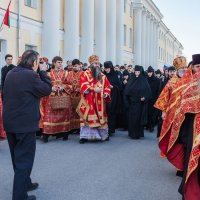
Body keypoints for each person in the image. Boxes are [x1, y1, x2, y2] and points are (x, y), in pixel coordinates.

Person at [2, 50, 52, 200]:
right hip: (24, 124)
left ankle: (25, 183)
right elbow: (46, 89)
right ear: (34, 62)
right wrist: (43, 73)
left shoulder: (12, 73)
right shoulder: (31, 75)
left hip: (10, 122)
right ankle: (19, 196)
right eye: (38, 62)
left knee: (17, 157)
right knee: (24, 159)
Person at [165, 54, 200, 200]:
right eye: (198, 67)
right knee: (192, 164)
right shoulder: (187, 84)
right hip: (192, 131)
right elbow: (182, 108)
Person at [76, 55, 111, 143]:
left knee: (100, 118)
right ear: (91, 64)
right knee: (88, 118)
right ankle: (84, 136)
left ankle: (103, 135)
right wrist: (93, 89)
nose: (97, 65)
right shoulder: (85, 74)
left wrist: (106, 93)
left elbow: (107, 86)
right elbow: (83, 85)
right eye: (95, 63)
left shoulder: (102, 75)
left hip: (100, 101)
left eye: (98, 63)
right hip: (89, 100)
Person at [40, 56, 72, 142]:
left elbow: (70, 85)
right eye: (58, 62)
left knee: (64, 116)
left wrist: (63, 87)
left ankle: (64, 133)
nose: (60, 64)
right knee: (48, 115)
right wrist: (51, 88)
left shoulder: (66, 73)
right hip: (52, 96)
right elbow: (44, 84)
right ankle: (46, 135)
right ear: (54, 63)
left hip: (63, 97)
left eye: (61, 62)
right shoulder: (49, 73)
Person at [124, 65, 151, 139]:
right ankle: (132, 133)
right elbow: (126, 91)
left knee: (138, 119)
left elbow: (148, 91)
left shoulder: (143, 80)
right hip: (132, 103)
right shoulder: (131, 79)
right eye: (136, 72)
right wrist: (127, 101)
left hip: (139, 104)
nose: (137, 73)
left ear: (140, 72)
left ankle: (138, 134)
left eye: (138, 72)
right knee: (132, 119)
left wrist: (144, 97)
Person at [104, 61, 122, 136]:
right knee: (105, 112)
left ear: (111, 68)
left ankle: (111, 130)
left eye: (108, 68)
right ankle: (104, 128)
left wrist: (113, 87)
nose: (107, 70)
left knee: (111, 113)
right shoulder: (103, 75)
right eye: (106, 68)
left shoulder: (115, 75)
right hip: (104, 96)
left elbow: (119, 87)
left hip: (113, 97)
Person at [66, 59, 82, 133]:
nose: (74, 67)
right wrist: (70, 87)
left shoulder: (83, 74)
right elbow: (65, 83)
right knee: (71, 111)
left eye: (76, 66)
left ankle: (79, 128)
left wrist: (80, 89)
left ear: (79, 65)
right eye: (73, 66)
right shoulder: (69, 73)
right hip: (71, 95)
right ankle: (72, 128)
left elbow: (85, 83)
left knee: (79, 111)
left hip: (80, 95)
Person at [146, 66, 160, 132]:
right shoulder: (146, 79)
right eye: (148, 72)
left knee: (153, 113)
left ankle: (151, 126)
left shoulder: (157, 80)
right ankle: (148, 125)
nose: (149, 74)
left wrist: (157, 98)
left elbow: (158, 90)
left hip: (154, 98)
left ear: (153, 72)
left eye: (150, 72)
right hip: (147, 98)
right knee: (147, 113)